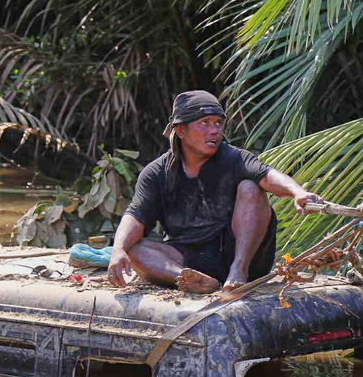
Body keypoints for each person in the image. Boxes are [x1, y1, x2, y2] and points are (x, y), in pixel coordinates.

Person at [107, 90, 324, 293]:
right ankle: (192, 280)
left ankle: (238, 272)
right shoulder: (156, 172)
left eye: (218, 123)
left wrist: (297, 192)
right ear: (181, 130)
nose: (214, 131)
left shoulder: (234, 158)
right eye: (204, 123)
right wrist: (118, 250)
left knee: (250, 186)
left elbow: (267, 175)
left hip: (237, 257)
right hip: (187, 258)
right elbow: (135, 215)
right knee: (134, 250)